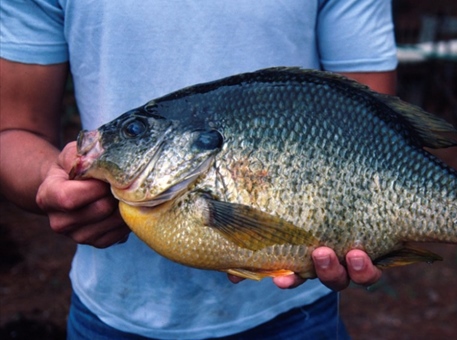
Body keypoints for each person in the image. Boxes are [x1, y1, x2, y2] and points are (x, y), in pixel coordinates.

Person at [0, 1, 398, 338]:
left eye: (136, 131)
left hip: (299, 318)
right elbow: (14, 129)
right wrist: (47, 180)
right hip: (108, 318)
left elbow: (369, 128)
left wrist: (357, 218)